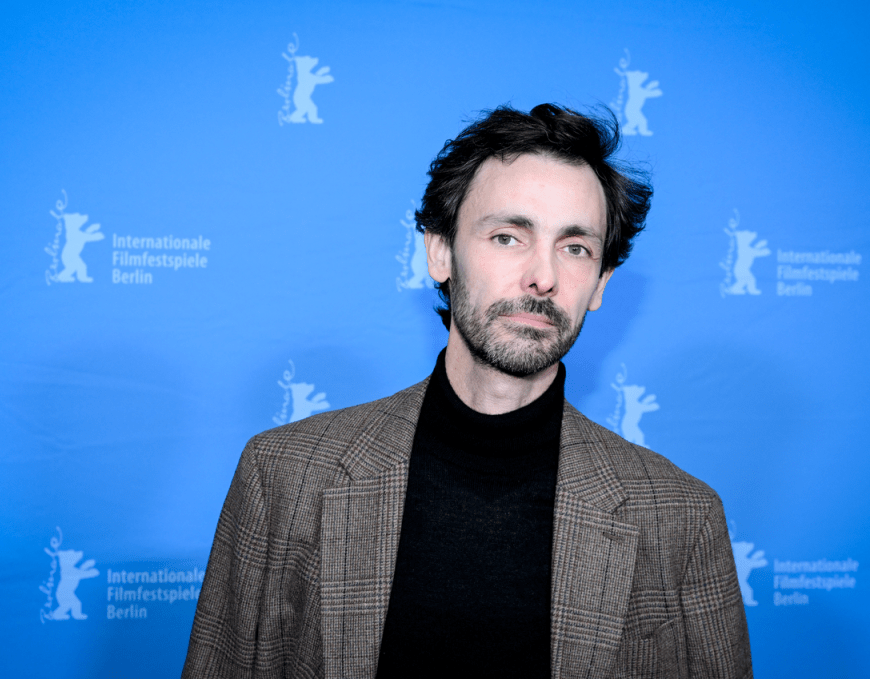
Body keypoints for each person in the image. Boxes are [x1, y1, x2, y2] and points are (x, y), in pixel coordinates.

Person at [182, 104, 752, 679]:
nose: (543, 276)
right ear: (440, 252)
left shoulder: (681, 518)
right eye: (508, 237)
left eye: (575, 248)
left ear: (601, 283)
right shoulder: (285, 475)